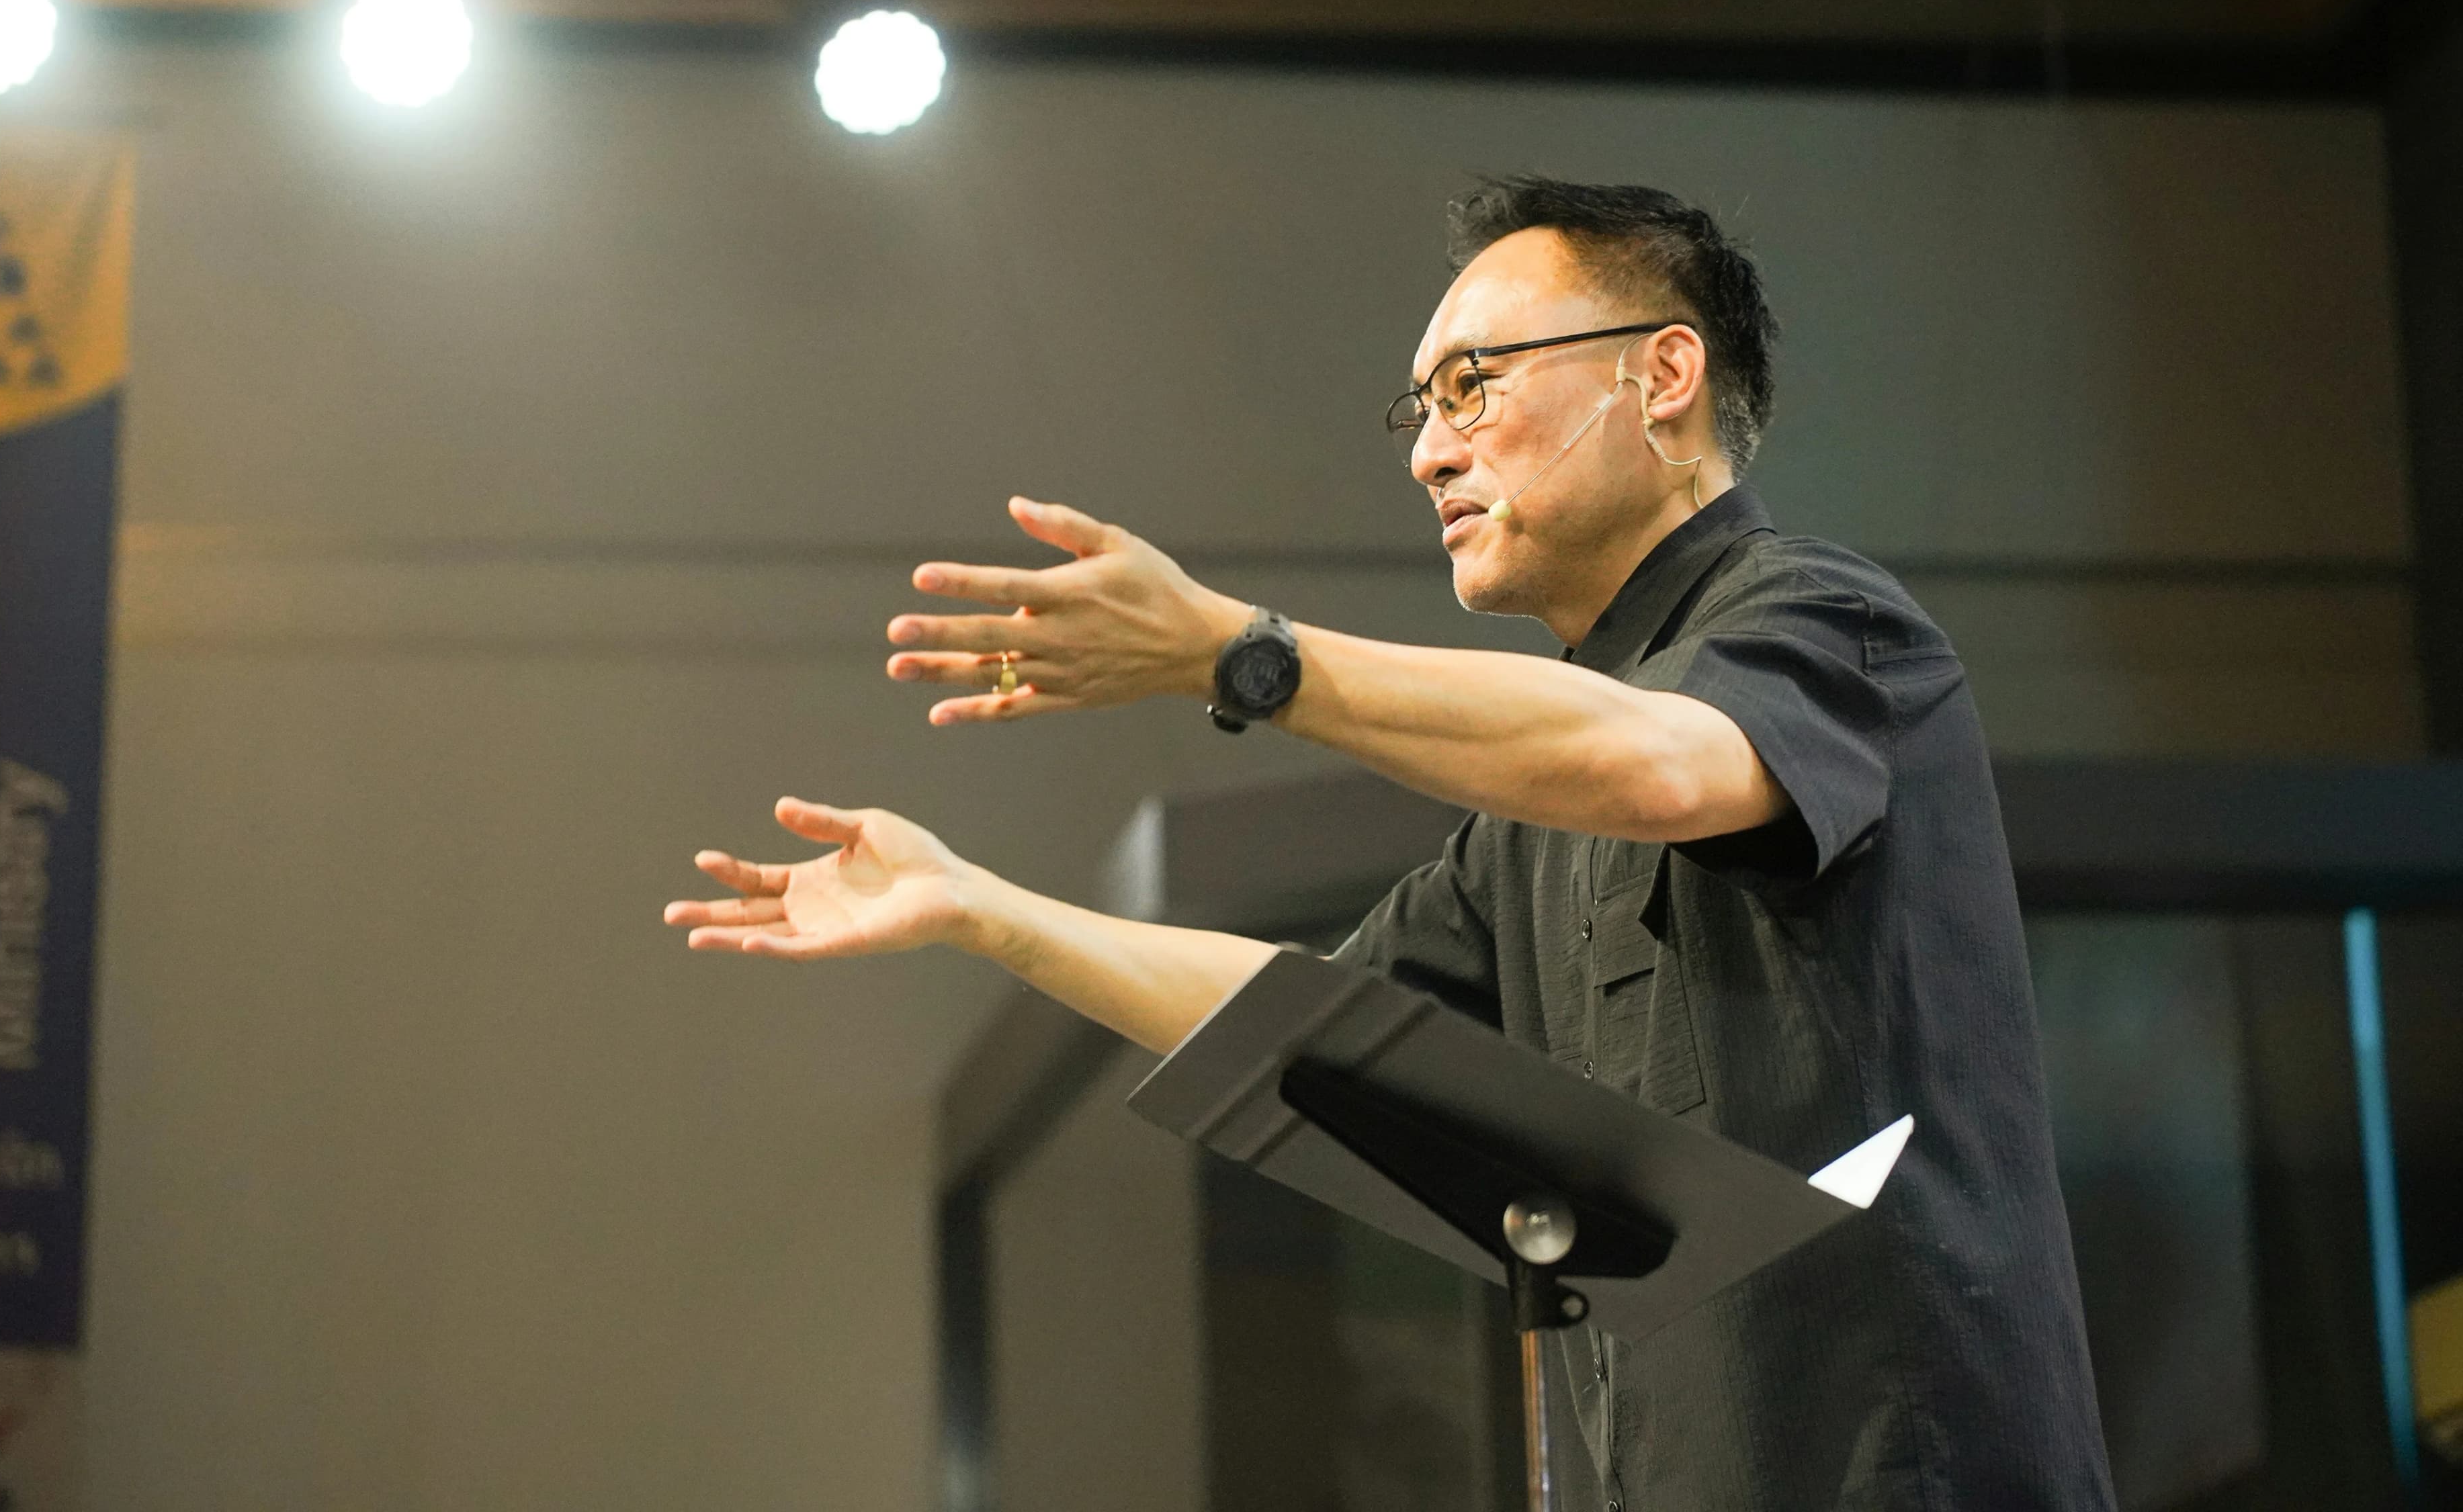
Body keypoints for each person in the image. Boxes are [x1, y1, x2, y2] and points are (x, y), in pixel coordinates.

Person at [663, 177, 2114, 1511]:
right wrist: (983, 909)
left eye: (1473, 385)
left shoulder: (1823, 615)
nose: (1429, 451)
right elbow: (1309, 1030)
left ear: (1662, 374)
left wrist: (1243, 655)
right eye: (1418, 407)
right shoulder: (1526, 821)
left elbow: (1667, 764)